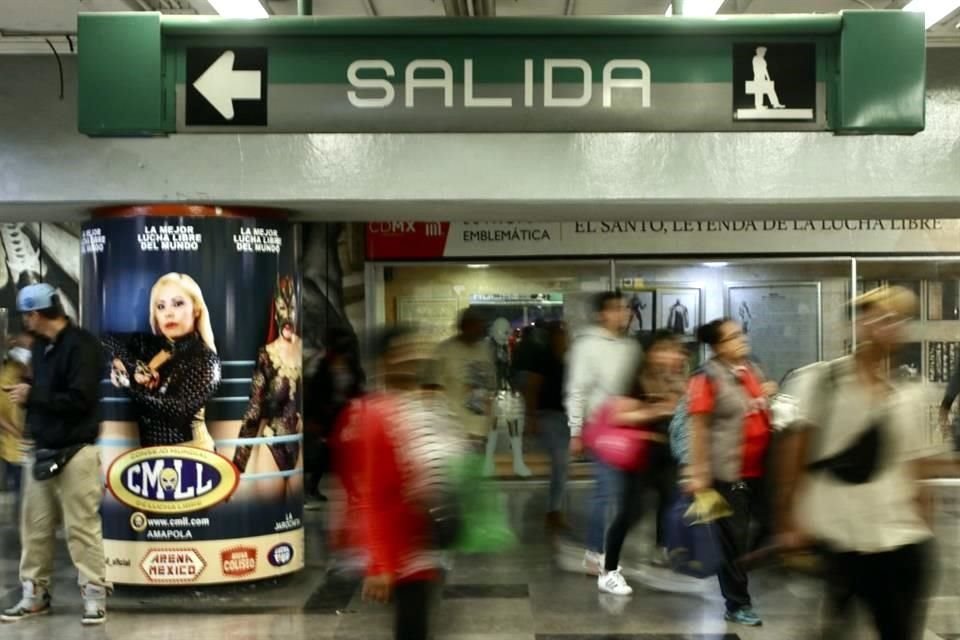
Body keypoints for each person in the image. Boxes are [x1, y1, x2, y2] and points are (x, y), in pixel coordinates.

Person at [776, 287, 937, 640]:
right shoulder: (822, 381)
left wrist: (926, 517)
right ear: (857, 326)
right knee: (836, 628)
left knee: (898, 629)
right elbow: (795, 451)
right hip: (841, 535)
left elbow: (915, 466)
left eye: (898, 319)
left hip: (902, 537)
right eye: (879, 317)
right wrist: (789, 518)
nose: (888, 327)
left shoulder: (912, 390)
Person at [0, 283, 109, 625]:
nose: (25, 322)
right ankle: (34, 595)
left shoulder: (84, 346)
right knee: (35, 528)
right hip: (41, 450)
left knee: (82, 528)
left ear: (36, 313)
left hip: (77, 451)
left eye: (26, 315)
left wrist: (32, 397)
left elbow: (81, 400)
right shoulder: (40, 349)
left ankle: (94, 597)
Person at [349, 326, 463, 640]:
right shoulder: (374, 414)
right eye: (403, 351)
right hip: (397, 549)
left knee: (417, 624)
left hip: (423, 540)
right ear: (384, 362)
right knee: (411, 627)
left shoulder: (422, 405)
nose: (414, 357)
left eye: (415, 349)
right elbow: (371, 494)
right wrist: (380, 564)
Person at [687, 318, 776, 627]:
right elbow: (697, 427)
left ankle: (741, 575)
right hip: (726, 473)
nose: (742, 340)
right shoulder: (705, 377)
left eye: (741, 334)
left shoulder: (750, 369)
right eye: (734, 336)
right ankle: (737, 603)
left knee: (766, 527)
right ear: (718, 346)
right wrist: (697, 472)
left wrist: (768, 393)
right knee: (732, 539)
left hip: (759, 468)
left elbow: (756, 406)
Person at [598, 330, 687, 596]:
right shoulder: (635, 381)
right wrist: (657, 411)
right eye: (663, 350)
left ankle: (663, 550)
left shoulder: (674, 378)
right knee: (631, 513)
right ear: (648, 353)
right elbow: (618, 416)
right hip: (639, 457)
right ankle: (609, 571)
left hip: (666, 454)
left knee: (670, 501)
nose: (670, 355)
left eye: (673, 350)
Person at [566, 290, 640, 575]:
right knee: (607, 491)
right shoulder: (587, 346)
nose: (624, 313)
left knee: (620, 493)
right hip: (602, 427)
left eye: (625, 308)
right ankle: (595, 552)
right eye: (617, 309)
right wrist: (575, 430)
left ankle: (603, 548)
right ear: (602, 314)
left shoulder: (630, 347)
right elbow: (577, 389)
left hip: (629, 426)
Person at [103, 272, 220, 449]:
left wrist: (128, 384)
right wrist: (137, 368)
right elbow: (106, 339)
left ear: (196, 309)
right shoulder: (149, 345)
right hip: (151, 454)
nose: (169, 313)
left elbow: (177, 411)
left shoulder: (206, 358)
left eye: (178, 303)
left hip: (193, 451)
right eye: (161, 306)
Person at [232, 276, 304, 502]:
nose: (288, 314)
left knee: (294, 513)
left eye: (292, 307)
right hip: (272, 443)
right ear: (276, 312)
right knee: (271, 516)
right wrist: (236, 466)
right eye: (283, 307)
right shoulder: (267, 355)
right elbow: (254, 410)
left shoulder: (308, 351)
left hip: (299, 444)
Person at [303, 327, 365, 506]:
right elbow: (315, 393)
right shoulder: (322, 365)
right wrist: (316, 418)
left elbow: (356, 386)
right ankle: (315, 488)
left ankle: (315, 488)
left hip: (345, 414)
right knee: (329, 454)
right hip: (327, 417)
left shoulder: (349, 365)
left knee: (339, 453)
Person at [521, 320, 570, 534]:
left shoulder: (568, 361)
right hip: (548, 415)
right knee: (560, 459)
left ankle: (555, 509)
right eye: (559, 335)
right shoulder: (543, 358)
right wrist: (530, 418)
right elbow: (531, 388)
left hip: (565, 417)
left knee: (563, 461)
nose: (563, 338)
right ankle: (554, 511)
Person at [430, 308, 496, 449]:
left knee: (475, 469)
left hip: (480, 427)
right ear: (463, 326)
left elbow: (490, 385)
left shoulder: (486, 349)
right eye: (474, 325)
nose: (478, 329)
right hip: (454, 427)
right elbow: (433, 389)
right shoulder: (444, 350)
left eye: (481, 325)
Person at [0, 333, 32, 521]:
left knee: (22, 490)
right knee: (19, 490)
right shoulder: (9, 369)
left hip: (17, 446)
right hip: (12, 446)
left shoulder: (15, 368)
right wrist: (16, 432)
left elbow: (30, 373)